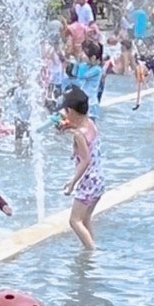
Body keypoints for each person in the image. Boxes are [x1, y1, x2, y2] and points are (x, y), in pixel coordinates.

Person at [58, 87, 102, 252]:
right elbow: (88, 145)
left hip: (88, 181)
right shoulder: (90, 123)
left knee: (74, 221)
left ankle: (92, 252)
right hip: (99, 180)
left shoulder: (79, 134)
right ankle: (92, 247)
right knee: (85, 218)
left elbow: (85, 160)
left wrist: (72, 183)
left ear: (71, 111)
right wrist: (70, 129)